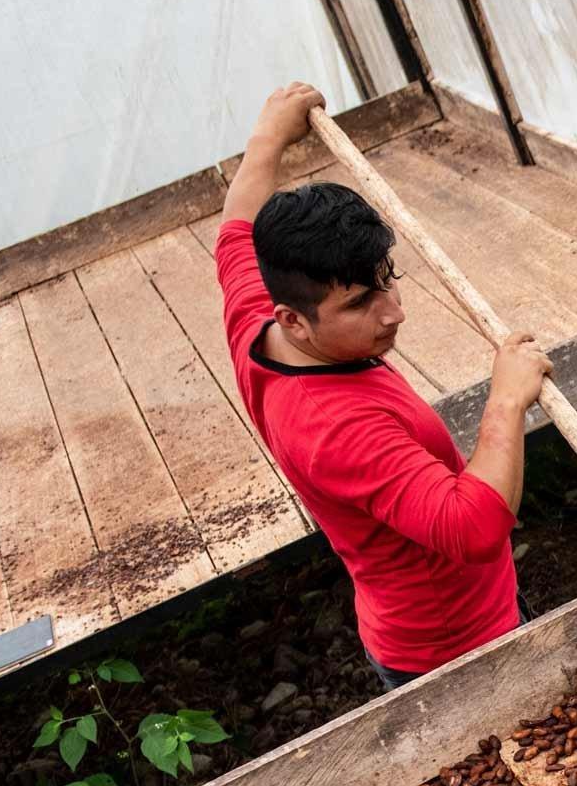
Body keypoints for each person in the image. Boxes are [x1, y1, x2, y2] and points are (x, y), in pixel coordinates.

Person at [217, 83, 548, 690]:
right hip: (455, 647)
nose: (393, 312)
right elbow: (472, 529)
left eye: (387, 280)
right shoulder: (334, 426)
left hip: (441, 611)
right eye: (361, 302)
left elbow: (236, 229)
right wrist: (505, 400)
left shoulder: (258, 321)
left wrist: (271, 132)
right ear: (295, 318)